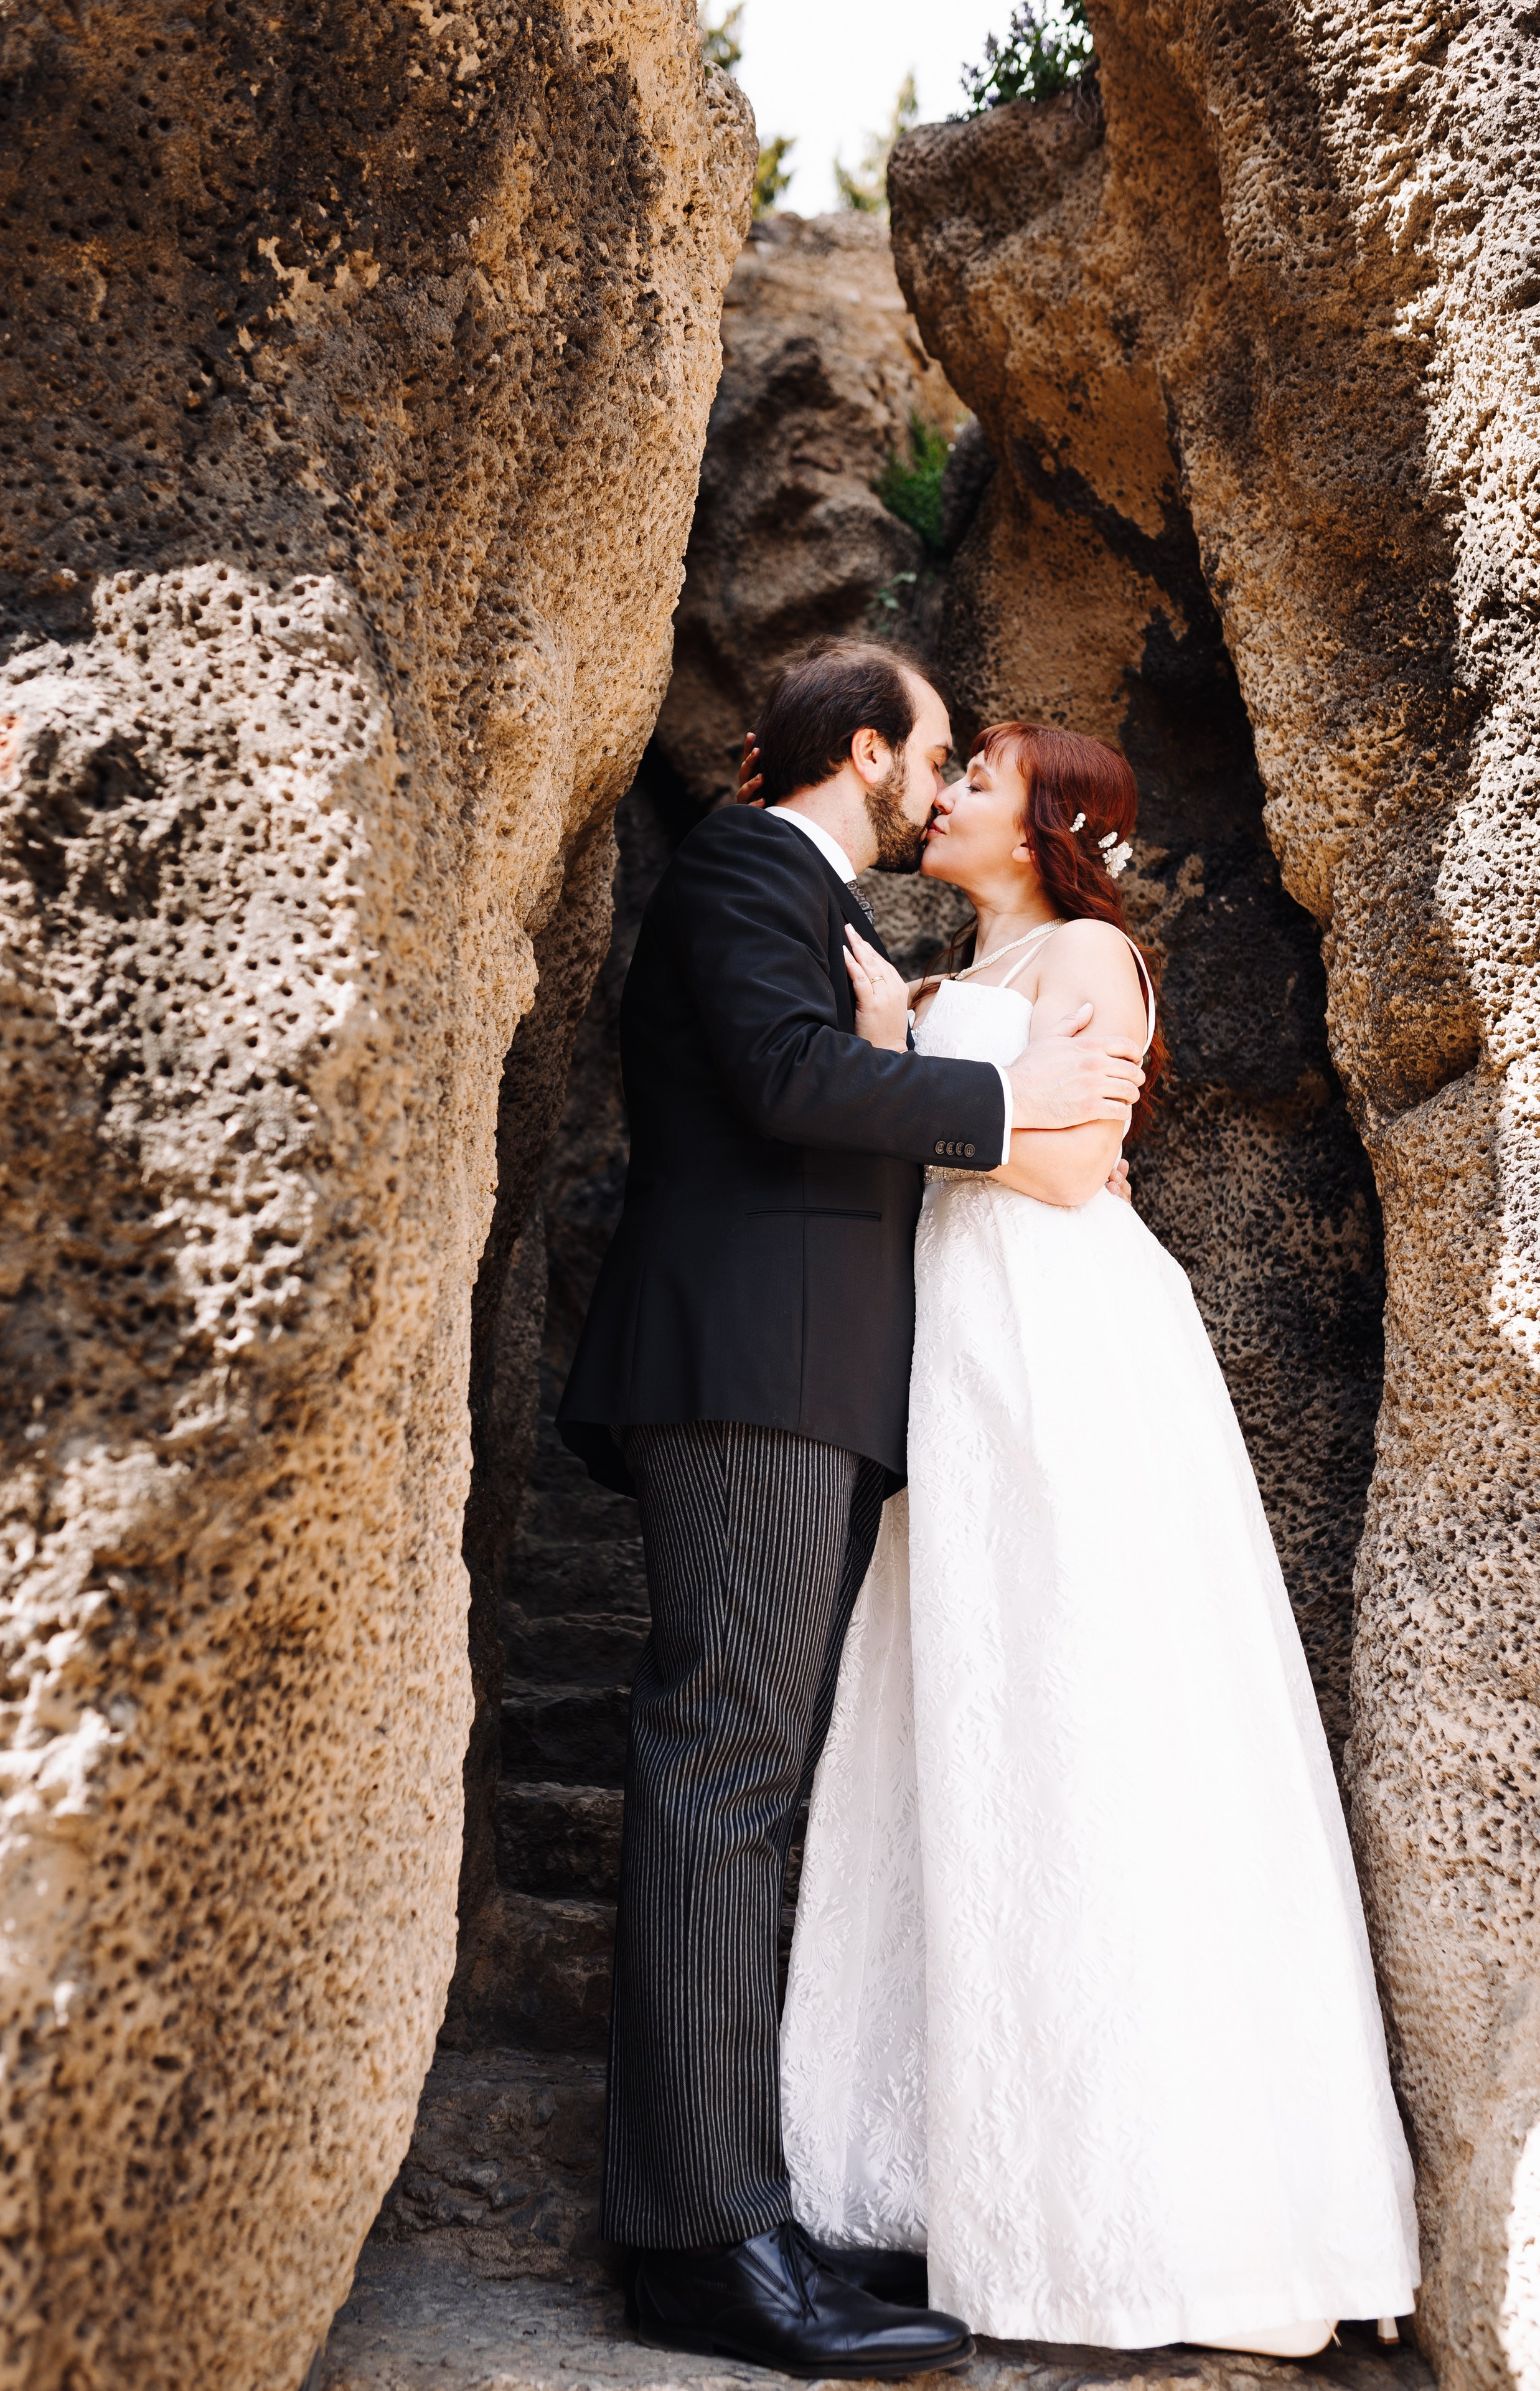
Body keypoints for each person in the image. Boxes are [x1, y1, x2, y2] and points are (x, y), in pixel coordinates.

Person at [779, 720, 1421, 2358]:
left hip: (1062, 1337)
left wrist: (904, 1077)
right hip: (963, 1347)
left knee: (1088, 1706)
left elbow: (1069, 1169)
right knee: (966, 1712)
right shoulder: (945, 979)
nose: (955, 791)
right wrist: (903, 1045)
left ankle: (1138, 2215)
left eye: (984, 775)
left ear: (1053, 821)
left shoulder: (1093, 954)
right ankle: (934, 2185)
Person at [557, 643, 1147, 2377]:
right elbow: (789, 1089)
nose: (946, 778)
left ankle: (738, 2206)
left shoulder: (833, 915)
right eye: (938, 751)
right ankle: (696, 2241)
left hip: (799, 1384)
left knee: (742, 1785)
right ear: (870, 752)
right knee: (722, 1775)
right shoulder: (749, 866)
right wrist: (1011, 1096)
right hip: (742, 1373)